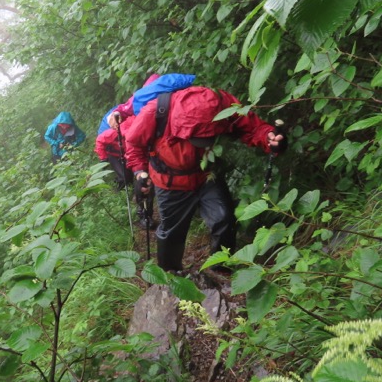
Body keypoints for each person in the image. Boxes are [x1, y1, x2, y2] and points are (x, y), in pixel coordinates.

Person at [123, 86, 286, 273]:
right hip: (170, 182)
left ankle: (222, 267)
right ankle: (170, 276)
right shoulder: (155, 112)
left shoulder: (221, 104)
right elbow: (134, 144)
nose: (203, 143)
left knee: (224, 217)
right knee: (171, 233)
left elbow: (251, 127)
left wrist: (269, 138)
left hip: (207, 176)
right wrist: (139, 172)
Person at [94, 112, 156, 228]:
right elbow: (99, 142)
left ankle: (145, 214)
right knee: (126, 177)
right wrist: (103, 159)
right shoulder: (111, 134)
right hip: (116, 154)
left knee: (144, 181)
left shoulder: (139, 125)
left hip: (138, 153)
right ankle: (122, 192)